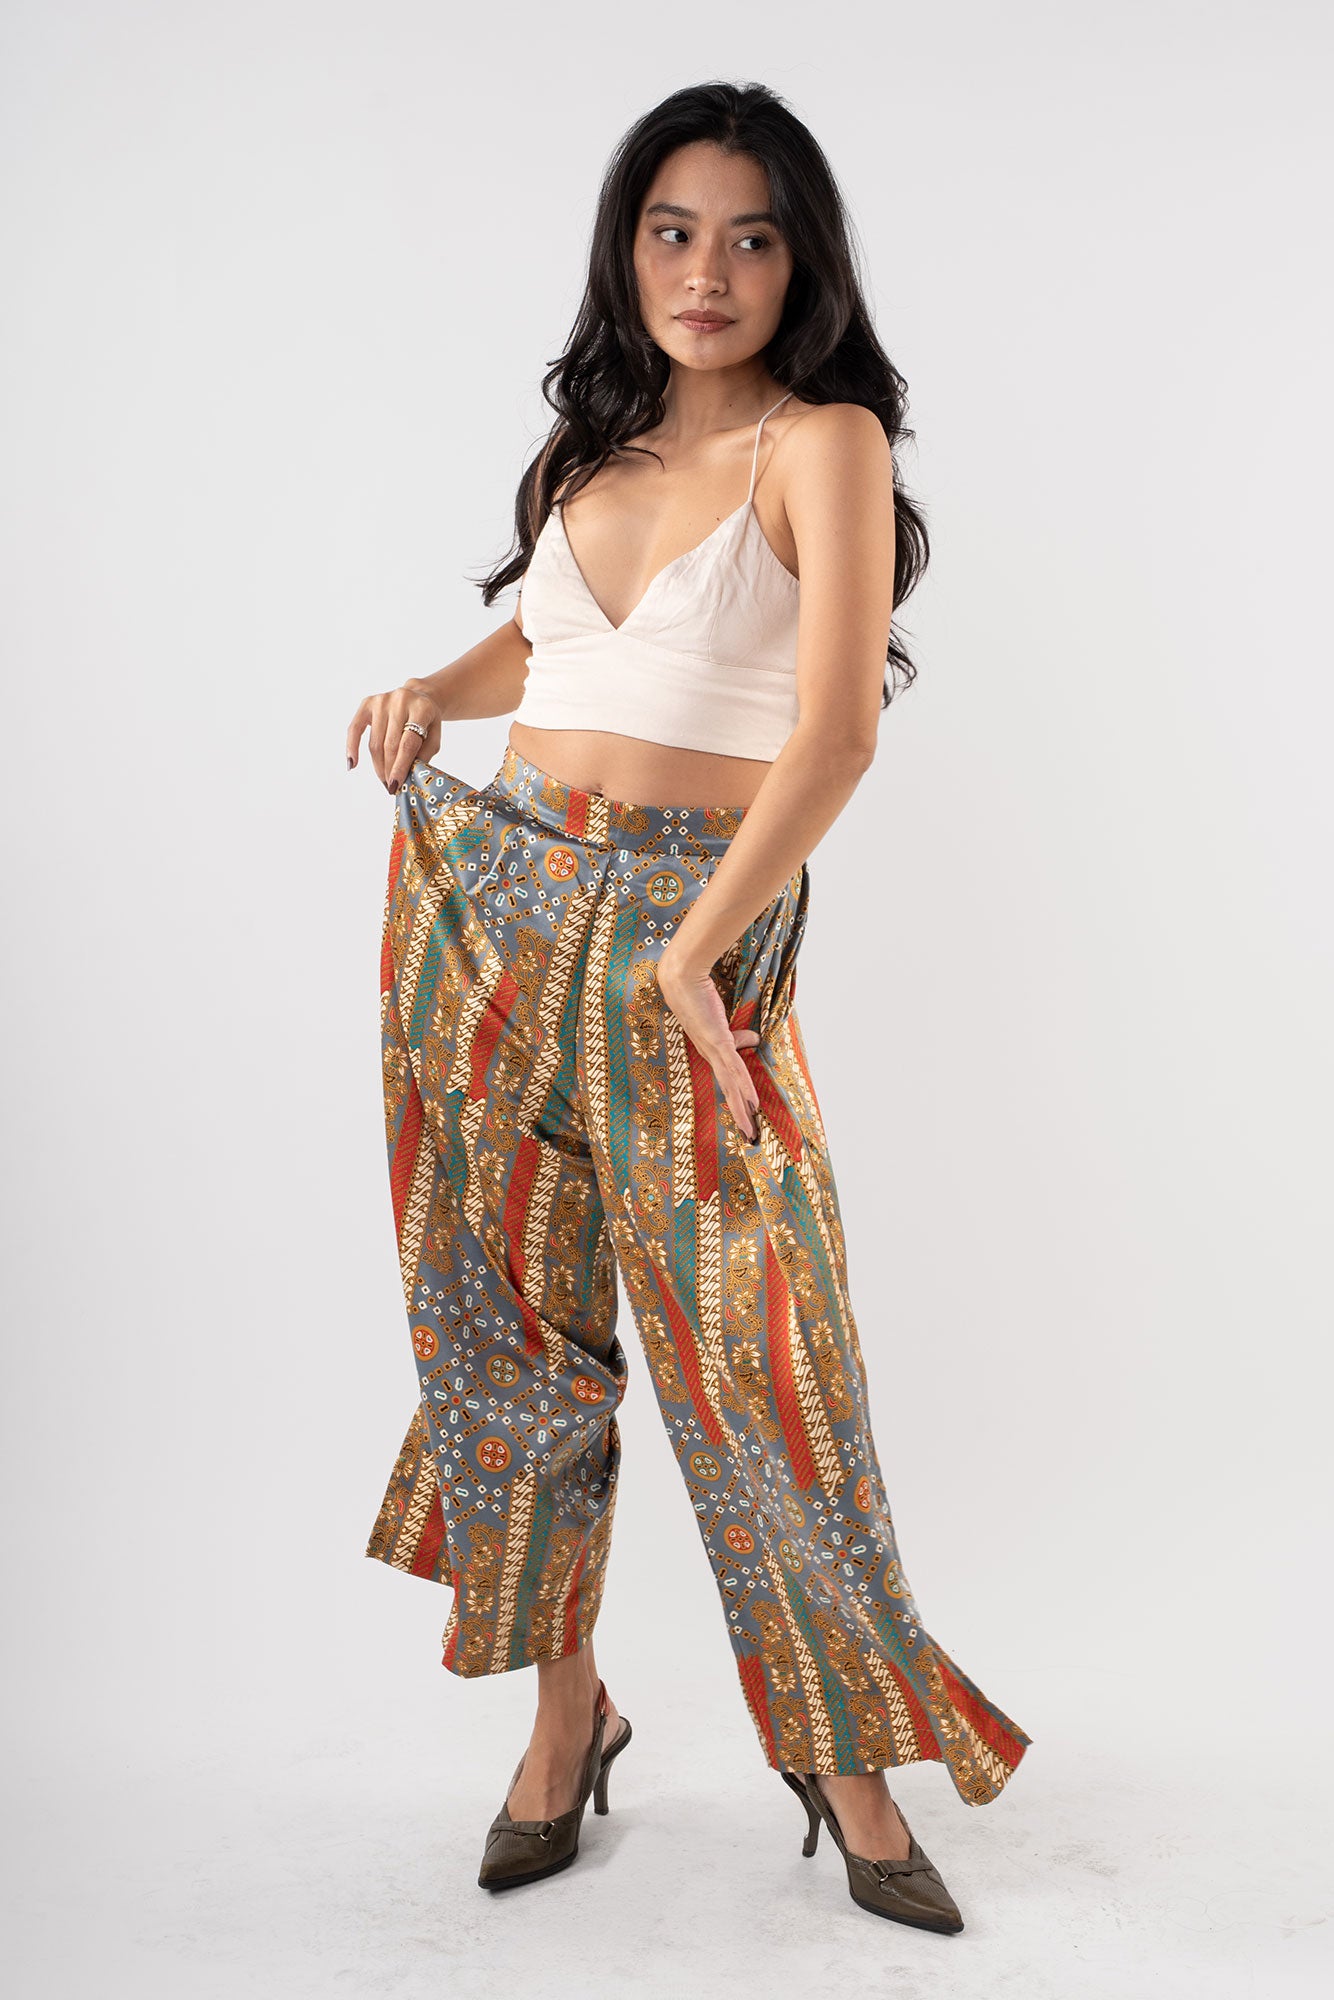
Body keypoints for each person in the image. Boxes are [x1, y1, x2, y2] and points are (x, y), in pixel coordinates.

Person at [347, 80, 1030, 1933]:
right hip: (486, 907)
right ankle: (565, 1717)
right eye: (670, 231)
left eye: (748, 236)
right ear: (624, 250)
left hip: (689, 933)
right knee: (504, 1343)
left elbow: (835, 732)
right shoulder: (594, 450)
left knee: (762, 1361)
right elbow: (549, 642)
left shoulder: (824, 443)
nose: (704, 270)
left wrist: (692, 952)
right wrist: (428, 688)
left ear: (800, 262)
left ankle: (844, 1755)